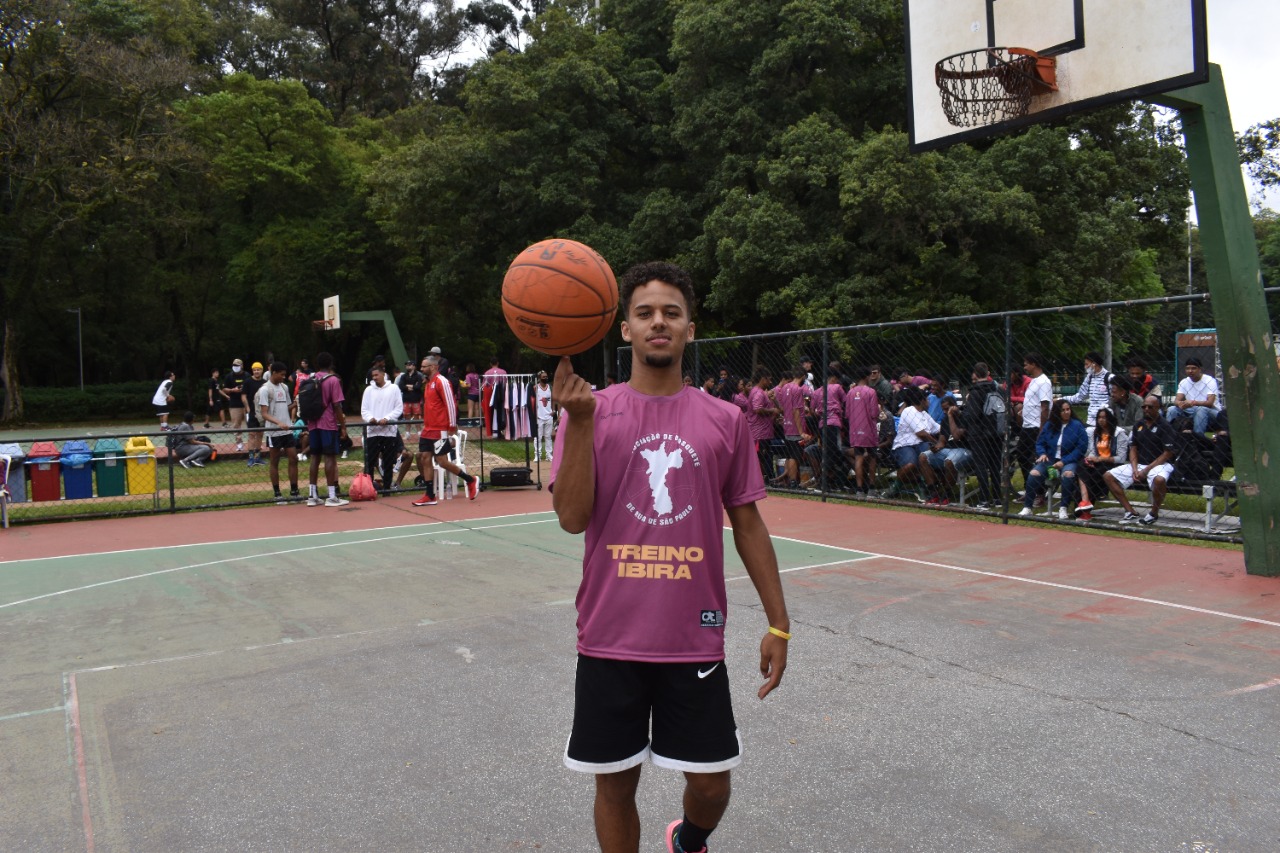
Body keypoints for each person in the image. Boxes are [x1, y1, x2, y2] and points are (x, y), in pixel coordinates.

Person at [549, 260, 789, 853]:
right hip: (610, 636)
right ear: (624, 329)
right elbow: (572, 518)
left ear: (689, 329)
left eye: (671, 313)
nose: (659, 322)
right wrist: (579, 424)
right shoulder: (588, 411)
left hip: (693, 637)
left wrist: (779, 623)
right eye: (645, 312)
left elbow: (750, 524)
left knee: (710, 785)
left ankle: (688, 839)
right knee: (614, 786)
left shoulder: (724, 419)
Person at [412, 355, 479, 506]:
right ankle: (430, 495)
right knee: (424, 458)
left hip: (439, 429)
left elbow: (451, 404)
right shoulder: (428, 383)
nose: (421, 369)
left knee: (441, 461)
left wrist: (451, 427)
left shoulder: (442, 381)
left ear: (434, 367)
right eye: (421, 367)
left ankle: (470, 480)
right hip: (428, 429)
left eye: (424, 367)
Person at [1102, 396, 1176, 525]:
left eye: (1150, 407)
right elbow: (1133, 448)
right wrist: (1135, 469)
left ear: (1158, 408)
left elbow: (1167, 453)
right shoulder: (1139, 425)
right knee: (1108, 476)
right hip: (1139, 464)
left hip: (1160, 464)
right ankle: (1130, 511)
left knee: (1159, 480)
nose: (1146, 409)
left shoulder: (1165, 426)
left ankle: (1153, 513)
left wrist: (1147, 470)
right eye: (1144, 407)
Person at [1017, 399, 1086, 520]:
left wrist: (1063, 461)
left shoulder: (1077, 426)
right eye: (1063, 410)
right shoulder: (1050, 425)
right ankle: (1028, 507)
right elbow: (1040, 443)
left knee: (1068, 474)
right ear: (1057, 412)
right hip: (1050, 460)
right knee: (1033, 473)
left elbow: (1081, 448)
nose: (1066, 412)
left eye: (1068, 409)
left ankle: (1063, 507)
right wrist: (1042, 453)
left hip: (1068, 461)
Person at [303, 351, 349, 507]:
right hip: (327, 423)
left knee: (315, 457)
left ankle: (312, 495)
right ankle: (331, 496)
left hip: (312, 423)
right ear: (331, 364)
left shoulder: (311, 378)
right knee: (330, 457)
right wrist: (343, 427)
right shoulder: (333, 380)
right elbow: (337, 405)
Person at [1073, 406, 1128, 521]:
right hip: (1097, 462)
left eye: (1104, 417)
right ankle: (1085, 501)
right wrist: (1090, 459)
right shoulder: (1095, 433)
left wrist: (1100, 459)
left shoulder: (1119, 434)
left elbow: (1121, 458)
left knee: (1092, 475)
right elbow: (1093, 451)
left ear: (1110, 419)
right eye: (1099, 418)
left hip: (1112, 464)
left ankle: (1084, 509)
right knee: (1081, 466)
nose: (1101, 420)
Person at [962, 362, 1004, 510]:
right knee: (995, 466)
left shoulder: (975, 392)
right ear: (988, 373)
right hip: (996, 433)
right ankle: (998, 499)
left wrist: (964, 412)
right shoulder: (997, 389)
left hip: (979, 434)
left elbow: (972, 415)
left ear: (975, 374)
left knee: (981, 466)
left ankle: (984, 500)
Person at [257, 362, 299, 503]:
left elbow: (287, 407)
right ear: (273, 372)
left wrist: (297, 403)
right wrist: (278, 423)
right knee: (275, 461)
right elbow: (264, 413)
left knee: (293, 458)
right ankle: (277, 493)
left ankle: (294, 491)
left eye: (284, 374)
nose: (283, 377)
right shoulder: (265, 389)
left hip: (286, 430)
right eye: (281, 374)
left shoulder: (284, 387)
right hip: (274, 432)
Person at [890, 386, 941, 500]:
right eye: (927, 399)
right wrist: (936, 443)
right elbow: (921, 434)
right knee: (910, 465)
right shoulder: (909, 410)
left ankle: (928, 488)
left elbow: (937, 428)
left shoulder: (924, 414)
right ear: (922, 400)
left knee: (926, 458)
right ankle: (895, 487)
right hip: (905, 445)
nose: (929, 402)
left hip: (920, 445)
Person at [360, 363, 404, 491]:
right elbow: (364, 409)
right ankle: (368, 488)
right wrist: (370, 419)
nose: (374, 377)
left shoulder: (394, 388)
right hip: (373, 431)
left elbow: (398, 408)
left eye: (376, 375)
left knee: (388, 461)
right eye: (372, 375)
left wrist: (387, 418)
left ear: (383, 374)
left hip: (389, 431)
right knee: (370, 461)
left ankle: (387, 489)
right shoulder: (368, 390)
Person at [844, 367, 881, 497]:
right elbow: (874, 413)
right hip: (868, 429)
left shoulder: (850, 393)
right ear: (866, 377)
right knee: (872, 457)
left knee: (858, 456)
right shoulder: (871, 392)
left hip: (855, 428)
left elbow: (847, 414)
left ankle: (859, 489)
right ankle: (871, 488)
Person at [1166, 356, 1223, 434]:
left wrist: (1193, 402)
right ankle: (1170, 437)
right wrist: (1181, 403)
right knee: (1171, 409)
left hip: (1212, 412)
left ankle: (1198, 440)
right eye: (1187, 368)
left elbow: (1210, 403)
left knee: (1200, 409)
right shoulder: (1184, 382)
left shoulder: (1209, 380)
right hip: (1191, 410)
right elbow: (1176, 400)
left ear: (1200, 369)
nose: (1190, 371)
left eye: (1193, 368)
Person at [745, 368, 779, 480]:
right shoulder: (759, 393)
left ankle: (765, 478)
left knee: (765, 456)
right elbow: (757, 409)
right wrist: (772, 411)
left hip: (762, 431)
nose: (770, 382)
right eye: (768, 380)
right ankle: (767, 478)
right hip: (760, 432)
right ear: (763, 379)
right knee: (764, 456)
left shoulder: (758, 391)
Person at [1066, 351, 1112, 426]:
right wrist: (1060, 399)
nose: (1085, 367)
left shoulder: (1109, 378)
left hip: (1105, 421)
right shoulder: (1089, 377)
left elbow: (1114, 399)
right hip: (1091, 421)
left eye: (1087, 364)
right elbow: (1080, 397)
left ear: (1094, 364)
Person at [242, 362, 268, 467]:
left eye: (258, 369)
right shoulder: (248, 382)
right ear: (252, 371)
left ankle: (258, 457)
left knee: (260, 434)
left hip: (262, 413)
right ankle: (251, 458)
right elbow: (243, 396)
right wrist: (247, 408)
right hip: (252, 412)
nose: (256, 371)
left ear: (262, 370)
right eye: (254, 370)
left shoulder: (265, 383)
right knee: (251, 434)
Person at [224, 358, 248, 451]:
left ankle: (254, 443)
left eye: (237, 365)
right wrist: (232, 390)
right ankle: (239, 443)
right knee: (236, 425)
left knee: (251, 423)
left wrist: (244, 389)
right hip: (234, 404)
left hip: (247, 404)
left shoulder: (247, 375)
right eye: (234, 365)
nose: (235, 367)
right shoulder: (229, 376)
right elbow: (224, 389)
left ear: (242, 366)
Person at [532, 370, 556, 462]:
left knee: (548, 436)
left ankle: (549, 454)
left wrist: (554, 410)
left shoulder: (550, 387)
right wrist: (535, 413)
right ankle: (537, 455)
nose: (545, 378)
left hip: (549, 415)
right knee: (537, 437)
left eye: (546, 376)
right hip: (539, 416)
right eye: (543, 377)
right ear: (539, 378)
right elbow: (532, 401)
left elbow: (553, 399)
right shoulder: (536, 388)